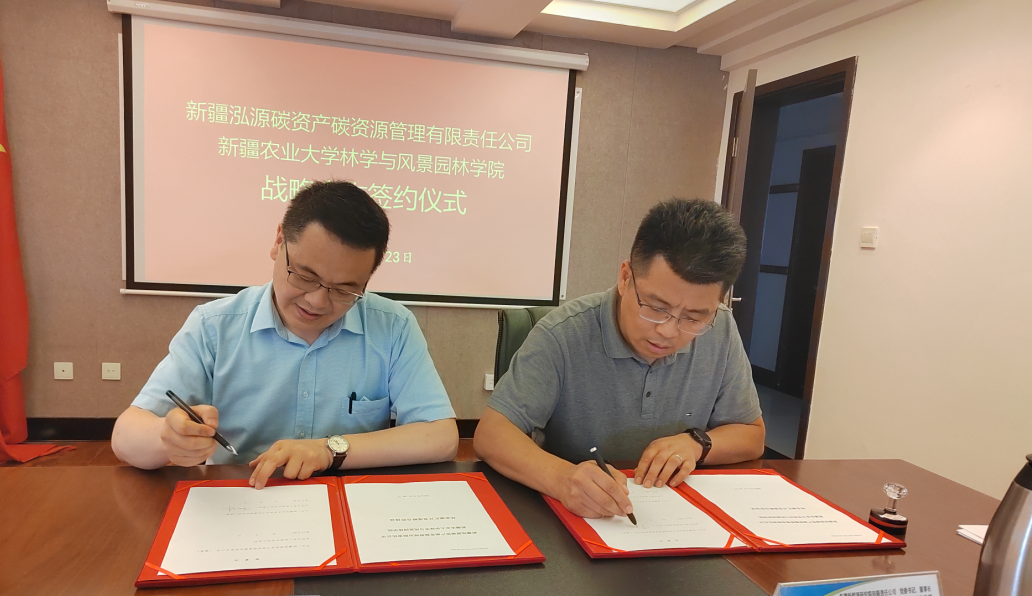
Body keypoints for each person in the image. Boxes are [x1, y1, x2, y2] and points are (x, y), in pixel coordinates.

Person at [112, 180, 458, 487]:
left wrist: (329, 450)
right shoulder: (215, 326)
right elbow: (126, 435)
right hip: (242, 500)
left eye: (344, 290)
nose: (317, 301)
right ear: (279, 242)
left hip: (351, 503)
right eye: (305, 276)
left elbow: (441, 438)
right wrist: (167, 437)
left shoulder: (392, 326)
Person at [474, 197, 764, 519]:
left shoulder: (721, 329)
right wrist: (562, 478)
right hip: (576, 517)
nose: (668, 331)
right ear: (626, 277)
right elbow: (491, 434)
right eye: (656, 307)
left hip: (677, 517)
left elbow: (751, 434)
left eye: (694, 317)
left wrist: (696, 443)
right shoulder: (563, 334)